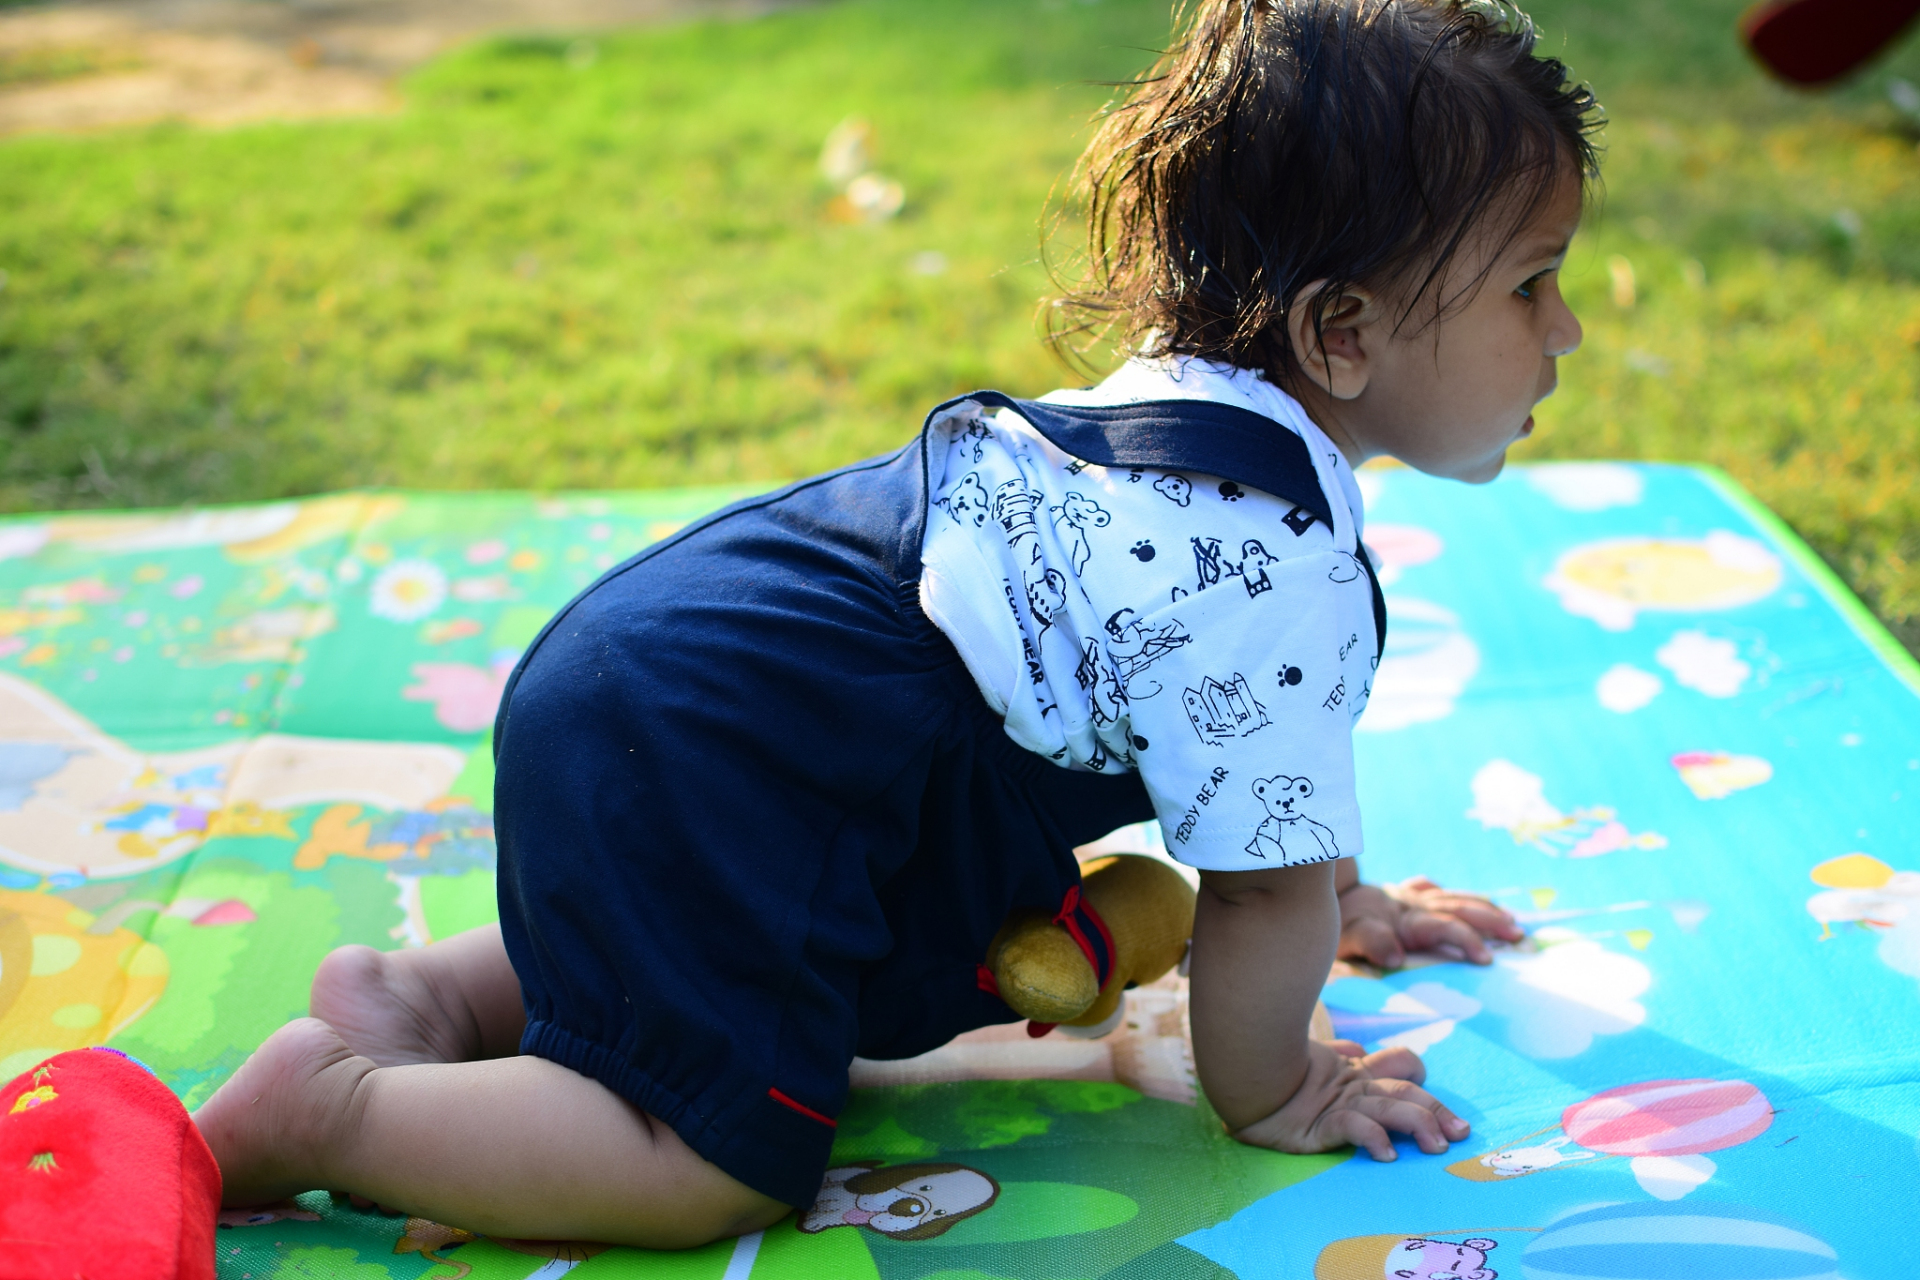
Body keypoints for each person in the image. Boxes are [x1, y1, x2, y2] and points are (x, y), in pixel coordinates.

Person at [193, 0, 1593, 1249]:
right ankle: (336, 1112)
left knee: (748, 946)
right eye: (1532, 283)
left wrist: (1346, 897)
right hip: (726, 753)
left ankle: (427, 1001)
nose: (1568, 329)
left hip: (660, 674)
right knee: (714, 1163)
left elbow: (1266, 786)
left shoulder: (1192, 423)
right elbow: (1257, 888)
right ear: (1340, 334)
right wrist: (1288, 1083)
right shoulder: (1272, 562)